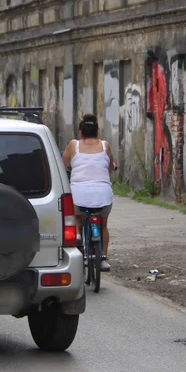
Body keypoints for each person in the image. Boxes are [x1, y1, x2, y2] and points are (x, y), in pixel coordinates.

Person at [62, 114, 117, 271]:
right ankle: (103, 259)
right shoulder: (105, 146)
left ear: (81, 132)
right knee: (103, 225)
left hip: (79, 195)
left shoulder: (73, 145)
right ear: (97, 131)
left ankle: (78, 239)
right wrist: (113, 166)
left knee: (78, 219)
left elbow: (62, 164)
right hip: (103, 195)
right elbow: (110, 166)